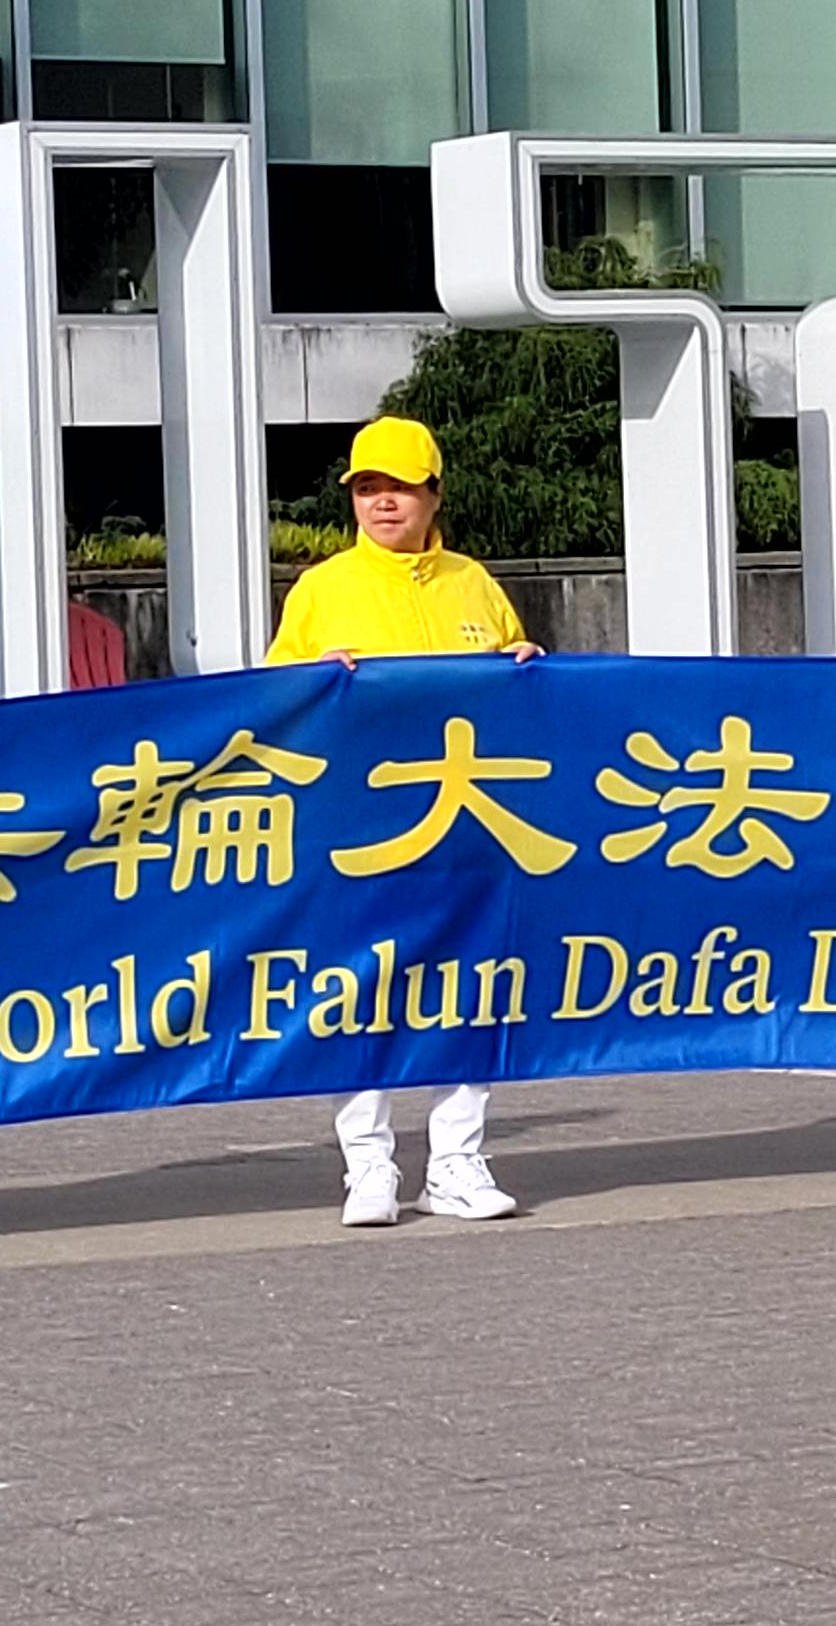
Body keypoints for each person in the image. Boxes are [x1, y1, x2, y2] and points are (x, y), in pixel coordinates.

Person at [267, 415, 546, 1229]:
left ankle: (457, 1161)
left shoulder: (472, 582)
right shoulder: (323, 588)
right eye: (367, 488)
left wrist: (529, 665)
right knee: (359, 989)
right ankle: (369, 1166)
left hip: (469, 825)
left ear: (434, 495)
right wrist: (310, 681)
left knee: (470, 988)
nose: (382, 502)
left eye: (399, 487)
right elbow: (273, 699)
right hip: (360, 826)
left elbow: (519, 678)